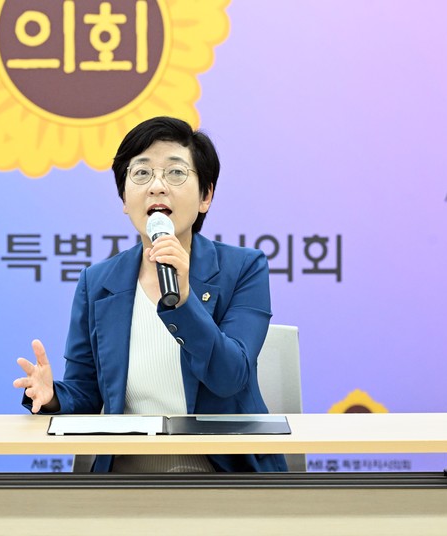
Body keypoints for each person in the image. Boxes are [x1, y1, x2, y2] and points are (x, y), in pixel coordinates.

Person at [14, 116, 287, 473]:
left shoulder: (243, 269)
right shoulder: (97, 282)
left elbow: (230, 377)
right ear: (124, 199)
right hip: (126, 471)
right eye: (141, 173)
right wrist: (52, 397)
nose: (157, 187)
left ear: (205, 196)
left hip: (220, 471)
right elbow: (86, 393)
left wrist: (184, 301)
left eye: (175, 173)